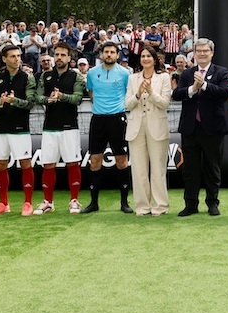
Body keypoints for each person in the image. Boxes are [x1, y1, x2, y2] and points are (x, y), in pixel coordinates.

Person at [172, 36, 228, 216]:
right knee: (190, 169)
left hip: (213, 129)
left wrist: (203, 85)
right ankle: (191, 204)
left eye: (206, 51)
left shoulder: (221, 72)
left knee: (212, 167)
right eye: (199, 51)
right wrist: (193, 88)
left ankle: (212, 203)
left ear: (212, 53)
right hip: (190, 128)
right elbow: (177, 94)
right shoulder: (187, 74)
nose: (202, 54)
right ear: (194, 54)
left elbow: (223, 94)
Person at [0, 45, 35, 216]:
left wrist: (14, 101)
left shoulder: (27, 78)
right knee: (1, 164)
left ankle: (27, 203)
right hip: (0, 128)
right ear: (4, 59)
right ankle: (3, 203)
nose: (17, 59)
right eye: (12, 56)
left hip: (20, 128)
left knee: (25, 163)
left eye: (18, 56)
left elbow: (30, 103)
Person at [34, 42, 85, 215]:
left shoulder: (75, 77)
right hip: (49, 127)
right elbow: (37, 97)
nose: (59, 58)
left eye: (63, 55)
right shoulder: (45, 76)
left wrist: (62, 96)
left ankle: (74, 200)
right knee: (48, 164)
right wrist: (47, 100)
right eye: (57, 54)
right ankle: (48, 201)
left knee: (72, 162)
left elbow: (78, 99)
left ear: (69, 58)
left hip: (70, 126)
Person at [82, 41, 134, 213]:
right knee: (95, 160)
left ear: (117, 55)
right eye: (106, 52)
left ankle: (124, 202)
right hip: (98, 120)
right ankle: (93, 203)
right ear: (101, 54)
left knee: (122, 160)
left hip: (117, 119)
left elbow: (129, 93)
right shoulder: (92, 73)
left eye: (112, 52)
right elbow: (90, 93)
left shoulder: (125, 73)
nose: (109, 54)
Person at [125, 46, 172, 216]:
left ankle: (160, 206)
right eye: (143, 56)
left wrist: (151, 92)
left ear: (154, 59)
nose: (145, 59)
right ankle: (142, 206)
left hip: (157, 127)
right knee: (138, 170)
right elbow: (127, 104)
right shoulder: (132, 79)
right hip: (136, 127)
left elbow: (164, 103)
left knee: (158, 169)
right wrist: (138, 94)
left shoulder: (164, 78)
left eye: (148, 56)